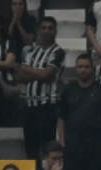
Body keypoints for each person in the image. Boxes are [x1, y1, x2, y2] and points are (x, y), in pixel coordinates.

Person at [57, 53, 101, 170]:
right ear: (76, 69)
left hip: (97, 145)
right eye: (80, 67)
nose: (83, 70)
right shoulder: (68, 90)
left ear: (92, 68)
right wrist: (62, 143)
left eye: (86, 67)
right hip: (73, 146)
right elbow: (61, 118)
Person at [16, 16, 65, 160]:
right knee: (30, 148)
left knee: (47, 148)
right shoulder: (31, 52)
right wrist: (41, 74)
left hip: (48, 105)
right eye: (43, 28)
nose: (46, 31)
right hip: (30, 104)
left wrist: (28, 69)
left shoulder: (58, 52)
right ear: (38, 31)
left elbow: (46, 74)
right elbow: (19, 77)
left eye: (50, 28)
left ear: (56, 31)